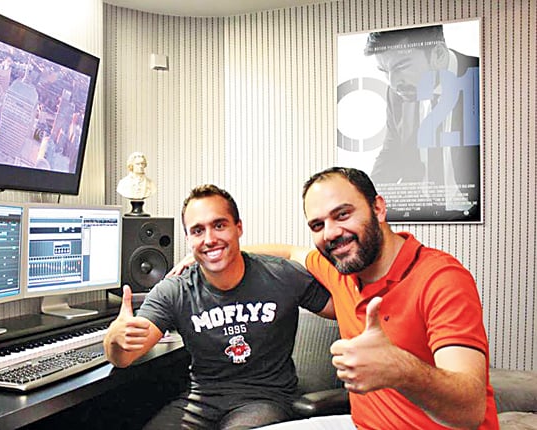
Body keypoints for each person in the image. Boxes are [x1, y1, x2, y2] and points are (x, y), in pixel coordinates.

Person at [170, 168, 498, 429]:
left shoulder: (441, 278)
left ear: (378, 208)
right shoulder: (341, 268)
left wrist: (400, 369)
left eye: (342, 215)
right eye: (318, 224)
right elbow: (290, 252)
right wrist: (214, 254)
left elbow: (469, 410)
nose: (330, 233)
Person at [104, 184, 333, 430]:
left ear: (239, 228)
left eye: (219, 226)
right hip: (200, 403)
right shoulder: (175, 289)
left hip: (266, 400)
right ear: (188, 239)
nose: (209, 239)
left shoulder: (281, 275)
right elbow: (123, 358)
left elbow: (345, 309)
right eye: (198, 231)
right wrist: (114, 339)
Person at [365, 25, 480, 218]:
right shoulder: (397, 93)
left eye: (401, 67)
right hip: (424, 215)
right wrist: (362, 201)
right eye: (384, 71)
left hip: (479, 216)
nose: (393, 83)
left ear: (439, 55)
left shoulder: (484, 76)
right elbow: (392, 153)